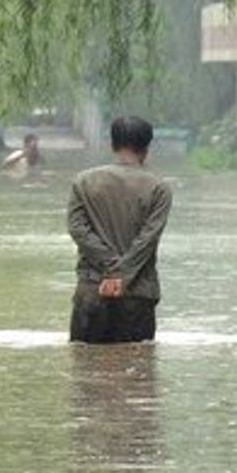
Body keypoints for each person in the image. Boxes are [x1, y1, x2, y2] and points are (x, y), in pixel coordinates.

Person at [67, 116, 173, 344]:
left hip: (92, 291)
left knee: (87, 373)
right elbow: (147, 241)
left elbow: (78, 229)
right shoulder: (159, 189)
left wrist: (109, 268)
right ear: (146, 147)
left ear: (112, 144)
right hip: (137, 295)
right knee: (136, 372)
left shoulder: (83, 182)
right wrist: (121, 274)